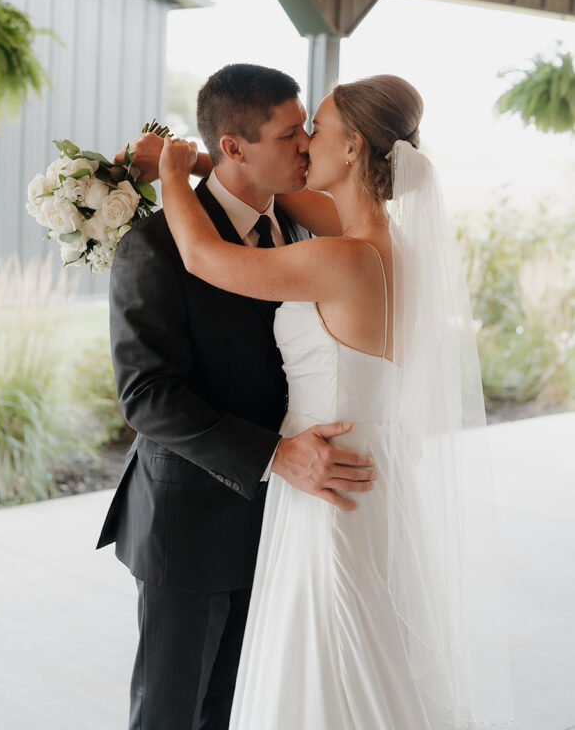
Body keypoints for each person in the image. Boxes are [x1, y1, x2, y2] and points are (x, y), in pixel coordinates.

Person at [158, 74, 513, 729]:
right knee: (357, 648)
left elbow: (205, 257)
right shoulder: (386, 245)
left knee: (329, 651)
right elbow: (298, 200)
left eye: (313, 129)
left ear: (351, 147)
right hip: (362, 468)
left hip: (327, 479)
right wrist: (220, 158)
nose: (302, 145)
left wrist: (171, 175)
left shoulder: (343, 259)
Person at [96, 64, 377, 730]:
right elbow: (146, 397)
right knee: (171, 714)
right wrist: (275, 456)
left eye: (308, 128)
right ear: (233, 147)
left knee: (239, 708)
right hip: (191, 526)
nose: (306, 146)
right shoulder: (156, 245)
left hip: (287, 526)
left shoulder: (310, 230)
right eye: (289, 134)